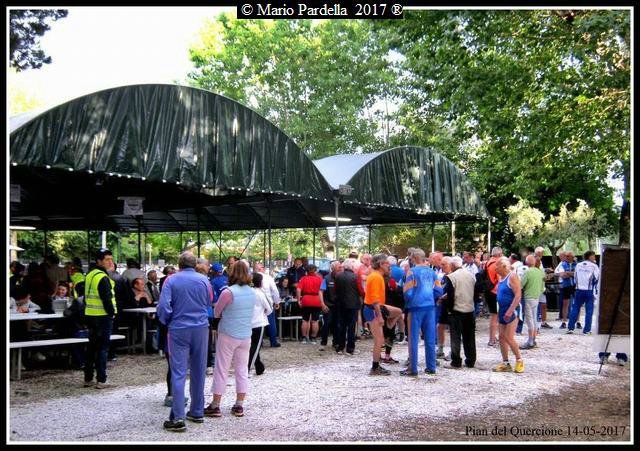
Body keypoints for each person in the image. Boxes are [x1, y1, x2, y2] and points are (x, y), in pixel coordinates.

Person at [157, 251, 213, 432]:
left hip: (179, 328)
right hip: (201, 328)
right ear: (194, 264)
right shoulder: (204, 280)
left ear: (179, 264)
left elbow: (163, 306)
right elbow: (209, 301)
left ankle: (178, 417)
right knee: (199, 370)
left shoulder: (171, 280)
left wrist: (167, 320)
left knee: (178, 372)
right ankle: (197, 411)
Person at [205, 261, 256, 419]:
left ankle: (215, 405)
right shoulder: (252, 291)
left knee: (221, 368)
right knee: (242, 370)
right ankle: (239, 404)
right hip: (245, 334)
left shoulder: (228, 292)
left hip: (228, 333)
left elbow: (217, 312)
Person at [401, 248, 441, 376]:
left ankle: (413, 368)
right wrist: (431, 298)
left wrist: (409, 303)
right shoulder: (432, 272)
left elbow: (407, 292)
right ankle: (431, 367)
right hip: (430, 307)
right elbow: (439, 290)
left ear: (414, 258)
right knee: (430, 338)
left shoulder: (412, 272)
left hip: (415, 307)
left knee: (413, 338)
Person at [363, 254, 403, 375]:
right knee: (379, 340)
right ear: (381, 264)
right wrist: (380, 316)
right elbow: (374, 300)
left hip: (377, 307)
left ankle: (389, 325)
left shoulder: (377, 276)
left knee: (398, 311)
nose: (389, 266)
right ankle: (375, 367)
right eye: (387, 264)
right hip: (373, 309)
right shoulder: (376, 277)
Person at [83, 248, 118, 389]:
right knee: (102, 348)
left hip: (90, 314)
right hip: (103, 317)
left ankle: (88, 378)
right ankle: (102, 379)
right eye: (107, 259)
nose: (110, 262)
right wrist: (112, 313)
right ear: (99, 261)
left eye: (111, 259)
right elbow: (107, 299)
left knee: (91, 348)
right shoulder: (102, 277)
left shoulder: (90, 275)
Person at [443, 256, 477, 369]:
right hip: (470, 309)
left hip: (457, 310)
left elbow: (451, 296)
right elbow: (475, 293)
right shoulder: (470, 275)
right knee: (470, 337)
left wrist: (449, 309)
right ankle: (471, 360)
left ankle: (456, 361)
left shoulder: (451, 277)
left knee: (455, 337)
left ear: (453, 265)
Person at [492, 257, 524, 373]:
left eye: (497, 265)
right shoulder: (501, 278)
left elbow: (518, 295)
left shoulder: (512, 276)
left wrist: (510, 311)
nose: (495, 267)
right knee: (501, 337)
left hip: (512, 310)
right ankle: (505, 363)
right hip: (502, 310)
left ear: (504, 266)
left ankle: (519, 360)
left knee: (509, 337)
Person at [567, 251, 600, 335]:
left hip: (579, 290)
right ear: (590, 256)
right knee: (589, 311)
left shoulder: (578, 265)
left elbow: (575, 277)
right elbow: (597, 278)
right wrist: (596, 291)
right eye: (593, 256)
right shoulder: (594, 266)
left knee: (575, 308)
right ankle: (586, 330)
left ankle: (570, 328)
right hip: (589, 290)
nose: (594, 257)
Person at [333, 258, 361, 355]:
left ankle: (340, 347)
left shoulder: (338, 276)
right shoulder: (356, 277)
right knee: (351, 327)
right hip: (353, 304)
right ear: (352, 267)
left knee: (342, 325)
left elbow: (335, 289)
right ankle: (350, 348)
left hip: (341, 304)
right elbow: (360, 290)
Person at [248, 272, 272, 375]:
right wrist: (265, 312)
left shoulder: (247, 291)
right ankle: (247, 368)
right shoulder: (260, 293)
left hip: (248, 322)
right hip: (259, 322)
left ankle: (259, 367)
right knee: (255, 346)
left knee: (252, 346)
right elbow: (269, 309)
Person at [519, 255, 545, 349]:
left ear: (526, 262)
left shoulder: (527, 272)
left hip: (528, 297)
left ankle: (530, 342)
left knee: (530, 320)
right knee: (534, 319)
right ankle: (533, 340)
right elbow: (542, 287)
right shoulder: (540, 272)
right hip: (536, 297)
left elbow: (521, 285)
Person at [254, 263, 281, 348]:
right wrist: (277, 302)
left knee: (257, 322)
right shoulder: (268, 278)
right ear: (262, 268)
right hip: (267, 302)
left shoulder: (251, 277)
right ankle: (273, 341)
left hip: (256, 304)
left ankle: (259, 342)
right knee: (271, 322)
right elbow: (275, 291)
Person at [296, 265, 324, 344]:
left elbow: (298, 290)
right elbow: (322, 291)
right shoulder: (320, 279)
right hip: (317, 300)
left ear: (306, 271)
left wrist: (298, 300)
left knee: (305, 320)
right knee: (315, 321)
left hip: (306, 300)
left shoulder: (303, 279)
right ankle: (313, 338)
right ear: (315, 271)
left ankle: (304, 338)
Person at [319, 260, 342, 352]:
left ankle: (336, 342)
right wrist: (322, 304)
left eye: (340, 267)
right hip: (328, 305)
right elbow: (321, 291)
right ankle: (323, 343)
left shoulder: (341, 277)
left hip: (339, 305)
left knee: (337, 325)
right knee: (327, 324)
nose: (340, 268)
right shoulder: (326, 278)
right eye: (338, 267)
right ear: (333, 268)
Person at [484, 247, 503, 347]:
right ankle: (492, 339)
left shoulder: (488, 262)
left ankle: (492, 338)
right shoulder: (497, 264)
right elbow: (500, 280)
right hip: (495, 292)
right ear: (499, 254)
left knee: (493, 315)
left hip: (488, 291)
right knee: (496, 316)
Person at [555, 251, 577, 329]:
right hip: (566, 286)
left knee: (577, 304)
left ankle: (578, 321)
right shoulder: (562, 264)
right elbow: (562, 275)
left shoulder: (577, 264)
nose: (566, 257)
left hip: (575, 286)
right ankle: (564, 321)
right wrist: (572, 274)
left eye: (568, 256)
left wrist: (568, 273)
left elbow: (577, 274)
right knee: (565, 304)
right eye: (566, 256)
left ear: (572, 257)